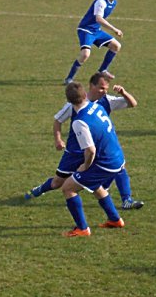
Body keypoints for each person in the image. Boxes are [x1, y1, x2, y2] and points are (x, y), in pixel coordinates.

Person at [26, 71, 144, 210]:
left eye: (106, 88)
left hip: (95, 150)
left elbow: (132, 104)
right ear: (91, 86)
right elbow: (58, 120)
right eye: (101, 88)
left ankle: (126, 200)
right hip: (75, 152)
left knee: (118, 168)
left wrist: (123, 93)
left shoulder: (106, 100)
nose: (104, 91)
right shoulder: (75, 104)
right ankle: (39, 190)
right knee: (57, 183)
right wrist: (58, 139)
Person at [59, 81, 127, 236]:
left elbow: (90, 150)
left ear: (69, 101)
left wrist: (85, 166)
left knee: (68, 188)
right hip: (118, 157)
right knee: (95, 185)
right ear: (85, 95)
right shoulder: (98, 107)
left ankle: (82, 228)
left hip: (105, 163)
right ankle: (115, 219)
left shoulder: (79, 121)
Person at [64, 0, 124, 84]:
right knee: (85, 54)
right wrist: (114, 29)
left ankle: (102, 70)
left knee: (116, 46)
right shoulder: (101, 1)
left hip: (96, 31)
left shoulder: (114, 2)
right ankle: (69, 78)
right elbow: (99, 19)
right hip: (86, 29)